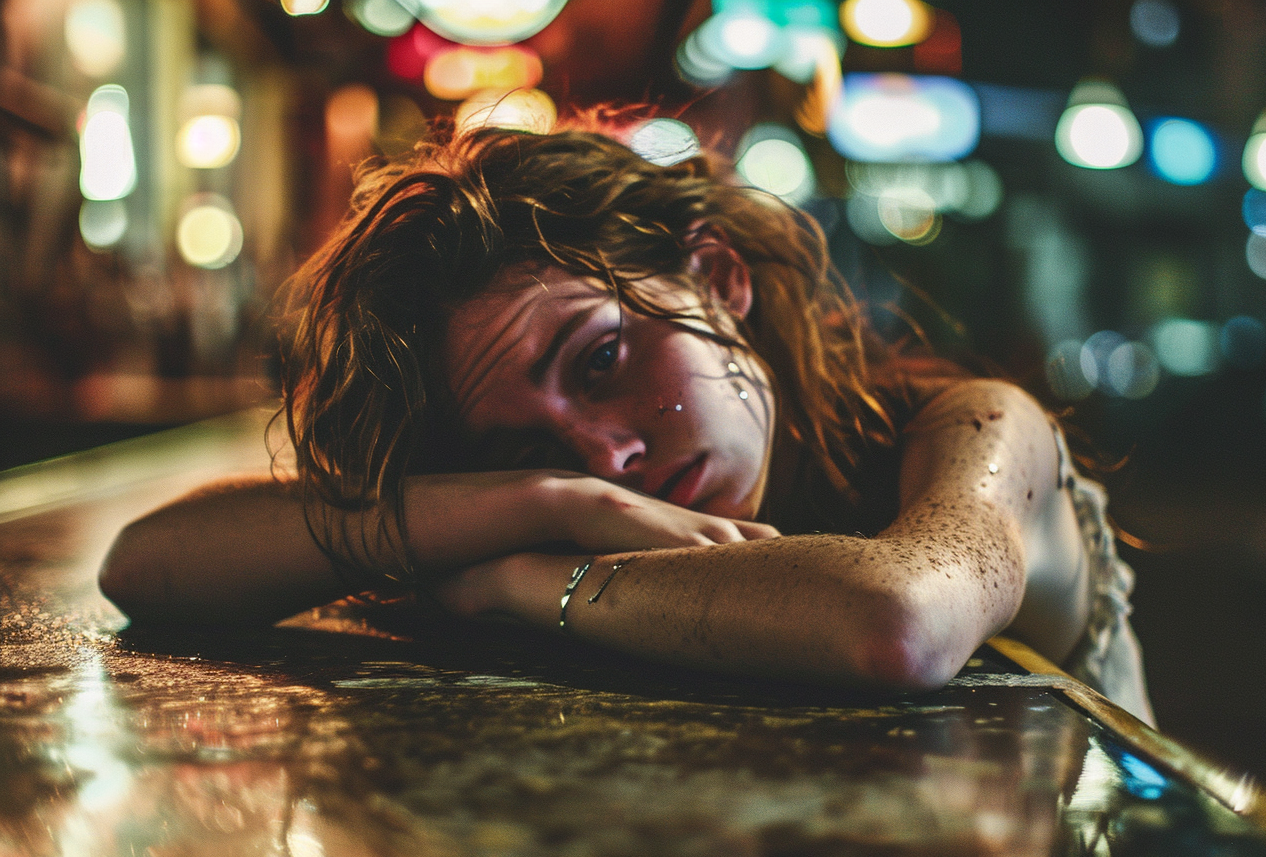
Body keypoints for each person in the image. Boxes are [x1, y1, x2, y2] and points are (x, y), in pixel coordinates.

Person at [98, 114, 1155, 725]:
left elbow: (898, 624)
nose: (606, 453)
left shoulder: (973, 431)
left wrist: (529, 578)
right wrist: (538, 497)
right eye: (525, 440)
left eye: (602, 358)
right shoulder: (576, 496)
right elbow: (146, 564)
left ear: (718, 278)